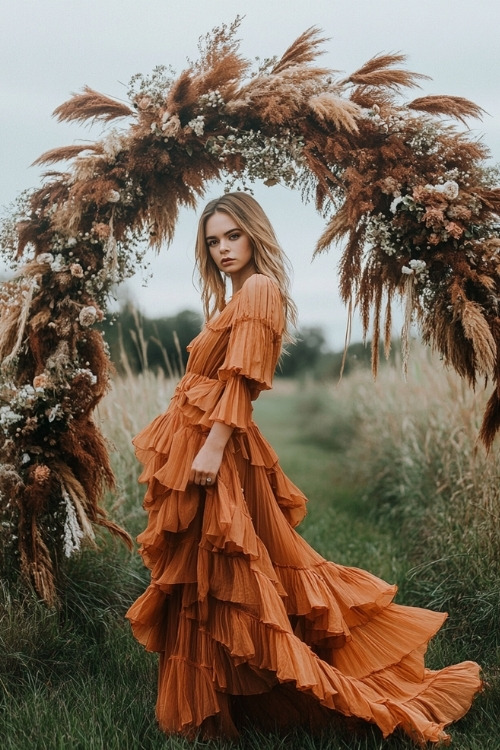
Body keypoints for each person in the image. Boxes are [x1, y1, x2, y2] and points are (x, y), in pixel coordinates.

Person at [126, 192, 481, 743]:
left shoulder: (261, 290)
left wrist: (214, 445)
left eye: (232, 236)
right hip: (199, 441)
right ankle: (226, 692)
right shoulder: (236, 295)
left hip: (213, 446)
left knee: (234, 568)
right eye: (213, 240)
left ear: (254, 234)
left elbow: (242, 378)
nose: (222, 248)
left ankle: (312, 686)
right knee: (208, 572)